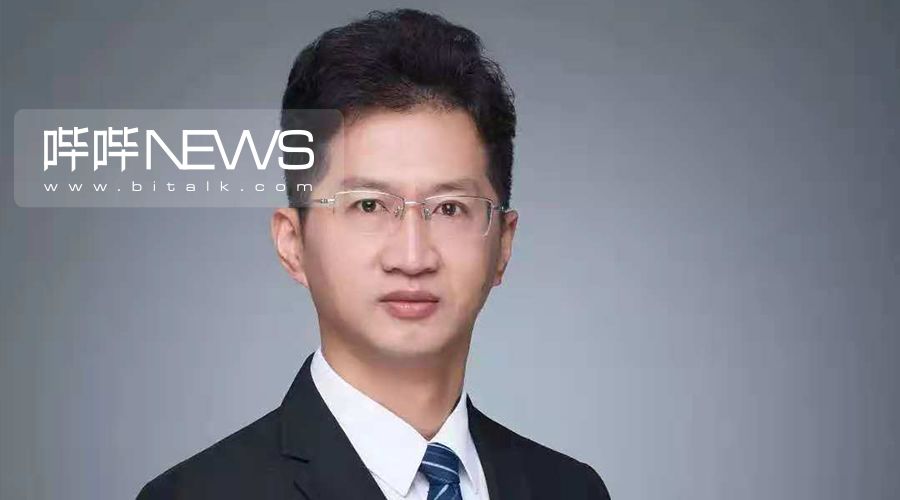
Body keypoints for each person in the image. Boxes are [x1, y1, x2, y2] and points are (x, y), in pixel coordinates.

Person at [137, 8, 611, 499]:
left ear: (503, 245)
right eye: (367, 205)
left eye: (449, 208)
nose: (412, 256)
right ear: (293, 242)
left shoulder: (571, 489)